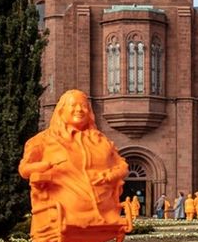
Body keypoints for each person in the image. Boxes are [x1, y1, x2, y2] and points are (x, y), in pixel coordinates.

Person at [18, 90, 128, 234]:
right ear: (61, 110)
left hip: (106, 212)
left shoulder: (101, 140)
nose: (79, 110)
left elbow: (122, 166)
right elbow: (24, 169)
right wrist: (43, 165)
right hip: (63, 213)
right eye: (73, 105)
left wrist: (108, 176)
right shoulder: (43, 140)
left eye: (83, 106)